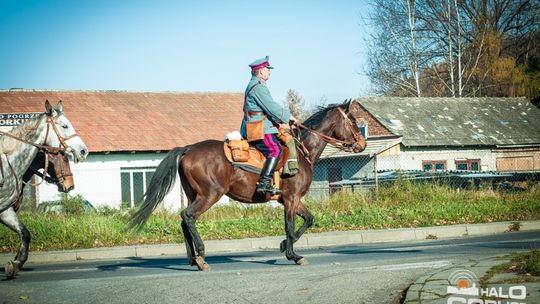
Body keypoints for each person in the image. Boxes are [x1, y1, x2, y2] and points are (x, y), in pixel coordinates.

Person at [240, 56, 297, 195]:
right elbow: (271, 107)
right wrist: (288, 117)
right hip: (259, 128)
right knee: (275, 150)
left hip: (261, 125)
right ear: (260, 72)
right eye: (267, 70)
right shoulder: (258, 87)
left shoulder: (256, 85)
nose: (269, 72)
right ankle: (264, 183)